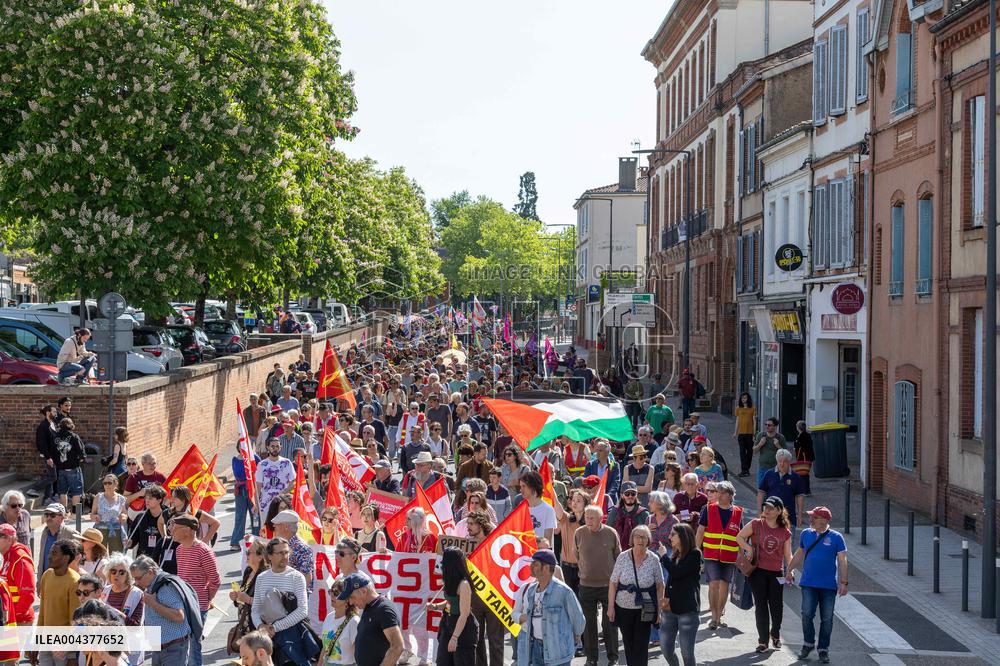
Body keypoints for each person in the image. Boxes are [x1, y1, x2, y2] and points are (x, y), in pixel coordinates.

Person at [790, 507, 848, 664]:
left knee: (827, 619)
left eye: (814, 517)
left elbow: (842, 560)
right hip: (808, 583)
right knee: (807, 614)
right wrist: (789, 569)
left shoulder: (836, 537)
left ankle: (823, 649)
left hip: (828, 585)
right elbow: (799, 553)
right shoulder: (806, 534)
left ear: (824, 520)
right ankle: (808, 644)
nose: (811, 519)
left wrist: (843, 582)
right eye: (812, 517)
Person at [736, 495, 793, 653]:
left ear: (779, 511)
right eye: (765, 507)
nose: (766, 510)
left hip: (776, 573)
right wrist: (748, 549)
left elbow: (788, 555)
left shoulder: (785, 532)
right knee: (760, 605)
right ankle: (763, 641)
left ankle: (775, 633)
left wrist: (791, 570)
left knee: (776, 607)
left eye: (770, 508)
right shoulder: (756, 524)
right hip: (757, 571)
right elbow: (739, 536)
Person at [515, 549, 585, 666]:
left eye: (535, 564)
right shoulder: (531, 590)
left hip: (558, 652)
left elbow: (579, 620)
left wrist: (572, 639)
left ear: (546, 568)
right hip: (535, 650)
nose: (530, 567)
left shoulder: (564, 591)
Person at [608, 525, 665, 666]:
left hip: (646, 608)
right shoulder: (623, 557)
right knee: (628, 644)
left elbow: (660, 585)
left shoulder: (653, 559)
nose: (640, 539)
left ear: (648, 540)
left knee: (641, 644)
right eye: (637, 536)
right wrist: (610, 607)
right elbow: (613, 583)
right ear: (632, 539)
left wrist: (660, 610)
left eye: (644, 537)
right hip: (624, 607)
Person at [250, 538, 311, 665]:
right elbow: (255, 609)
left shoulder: (297, 577)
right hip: (267, 638)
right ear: (270, 556)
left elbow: (303, 610)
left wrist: (274, 627)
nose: (285, 556)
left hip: (291, 639)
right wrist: (261, 627)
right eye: (280, 553)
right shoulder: (261, 578)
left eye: (286, 552)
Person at [170, 515, 220, 666]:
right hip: (181, 605)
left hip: (197, 607)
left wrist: (205, 599)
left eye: (175, 528)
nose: (171, 531)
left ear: (187, 530)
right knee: (182, 646)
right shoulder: (179, 550)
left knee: (193, 647)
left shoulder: (204, 551)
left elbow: (215, 580)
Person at [574, 505, 620, 666]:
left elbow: (618, 556)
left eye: (592, 518)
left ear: (601, 518)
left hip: (608, 585)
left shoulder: (610, 533)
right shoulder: (579, 533)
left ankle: (613, 657)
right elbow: (576, 555)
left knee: (610, 623)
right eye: (586, 517)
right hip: (586, 585)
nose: (588, 521)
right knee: (589, 624)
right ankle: (591, 658)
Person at [130, 556, 193, 666]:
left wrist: (153, 604)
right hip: (160, 646)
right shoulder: (152, 584)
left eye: (138, 578)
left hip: (173, 648)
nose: (136, 582)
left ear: (150, 572)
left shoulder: (165, 586)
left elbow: (179, 616)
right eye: (134, 579)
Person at [696, 480, 742, 630]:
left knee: (724, 586)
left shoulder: (737, 512)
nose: (719, 495)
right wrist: (697, 550)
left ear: (730, 495)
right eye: (718, 492)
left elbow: (741, 536)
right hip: (711, 554)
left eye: (722, 492)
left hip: (729, 556)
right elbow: (701, 531)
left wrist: (743, 554)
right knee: (713, 584)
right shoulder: (708, 509)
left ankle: (719, 615)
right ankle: (714, 616)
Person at [658, 523, 701, 666]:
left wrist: (664, 557)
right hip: (670, 608)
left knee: (687, 652)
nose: (669, 537)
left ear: (682, 536)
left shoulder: (695, 554)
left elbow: (677, 573)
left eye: (672, 534)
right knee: (665, 648)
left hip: (687, 610)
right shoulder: (675, 554)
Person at [33, 540, 81, 666]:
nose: (49, 556)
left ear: (65, 558)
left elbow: (75, 620)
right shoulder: (46, 575)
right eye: (50, 552)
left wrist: (71, 654)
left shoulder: (75, 582)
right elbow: (42, 613)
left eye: (54, 553)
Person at [340, 572, 404, 666]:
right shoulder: (369, 608)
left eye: (352, 597)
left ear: (364, 591)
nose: (350, 602)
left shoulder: (384, 609)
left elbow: (397, 647)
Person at [429, 549, 478, 666]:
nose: (441, 565)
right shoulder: (450, 580)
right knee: (442, 661)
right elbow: (450, 603)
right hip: (448, 625)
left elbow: (464, 614)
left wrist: (454, 637)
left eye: (444, 562)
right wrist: (435, 606)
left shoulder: (464, 584)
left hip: (463, 631)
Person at [757, 448, 806, 528]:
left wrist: (800, 516)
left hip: (789, 518)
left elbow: (800, 496)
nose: (782, 464)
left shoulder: (795, 477)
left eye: (785, 461)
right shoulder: (769, 474)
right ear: (776, 461)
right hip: (770, 518)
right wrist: (760, 512)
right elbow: (761, 492)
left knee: (788, 540)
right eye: (780, 461)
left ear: (789, 462)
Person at [319, 576, 360, 666]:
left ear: (348, 599)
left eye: (336, 592)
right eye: (331, 591)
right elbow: (324, 648)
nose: (332, 595)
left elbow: (361, 653)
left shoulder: (354, 622)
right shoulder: (329, 617)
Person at [0, 523, 35, 626]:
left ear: (10, 539)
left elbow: (28, 593)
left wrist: (16, 615)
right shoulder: (6, 556)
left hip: (19, 620)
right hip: (9, 618)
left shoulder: (20, 558)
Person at [255, 437, 295, 524]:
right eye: (272, 446)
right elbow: (258, 486)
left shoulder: (287, 463)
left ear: (280, 447)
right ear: (267, 447)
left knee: (283, 529)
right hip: (265, 505)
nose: (275, 448)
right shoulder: (261, 465)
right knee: (266, 530)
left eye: (277, 446)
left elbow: (293, 482)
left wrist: (284, 492)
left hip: (283, 504)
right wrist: (256, 504)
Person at [50, 418, 87, 509]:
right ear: (71, 425)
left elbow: (52, 452)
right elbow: (82, 454)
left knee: (62, 492)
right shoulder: (74, 437)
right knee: (76, 492)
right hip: (73, 468)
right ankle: (75, 513)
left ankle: (63, 512)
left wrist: (57, 463)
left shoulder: (55, 437)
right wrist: (80, 460)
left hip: (61, 469)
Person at [231, 441, 262, 550]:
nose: (242, 447)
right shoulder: (235, 459)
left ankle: (257, 540)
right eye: (240, 445)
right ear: (238, 447)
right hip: (240, 491)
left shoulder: (255, 458)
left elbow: (260, 471)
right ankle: (236, 541)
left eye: (244, 445)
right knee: (240, 516)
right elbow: (236, 474)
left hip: (252, 490)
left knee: (255, 515)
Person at [271, 510, 314, 585]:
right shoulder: (279, 544)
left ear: (285, 527)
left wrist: (291, 595)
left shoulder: (302, 549)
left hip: (293, 594)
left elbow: (307, 578)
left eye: (277, 524)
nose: (274, 527)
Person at [123, 454, 167, 523]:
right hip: (137, 517)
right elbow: (124, 500)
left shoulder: (161, 477)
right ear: (143, 464)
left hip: (156, 517)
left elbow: (167, 497)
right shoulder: (133, 477)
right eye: (149, 463)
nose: (152, 466)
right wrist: (139, 493)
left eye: (154, 463)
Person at [91, 474, 127, 554]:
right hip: (100, 530)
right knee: (99, 555)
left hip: (115, 530)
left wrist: (123, 517)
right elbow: (92, 515)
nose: (107, 485)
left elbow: (124, 513)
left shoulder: (121, 499)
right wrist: (95, 517)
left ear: (116, 483)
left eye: (109, 483)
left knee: (116, 556)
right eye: (105, 483)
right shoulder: (98, 497)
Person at [608, 481, 649, 550]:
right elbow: (608, 531)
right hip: (616, 549)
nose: (630, 496)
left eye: (633, 494)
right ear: (621, 495)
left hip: (637, 549)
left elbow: (648, 536)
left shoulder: (643, 513)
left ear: (636, 495)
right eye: (627, 494)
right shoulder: (615, 511)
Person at [518, 471, 556, 542]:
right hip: (526, 552)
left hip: (541, 552)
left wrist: (532, 540)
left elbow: (548, 541)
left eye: (524, 486)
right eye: (520, 486)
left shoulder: (548, 510)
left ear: (533, 487)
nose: (521, 490)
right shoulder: (521, 508)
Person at [753, 417, 788, 487]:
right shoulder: (761, 435)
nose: (767, 426)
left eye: (769, 425)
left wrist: (778, 446)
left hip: (776, 469)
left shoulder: (780, 437)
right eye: (766, 424)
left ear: (775, 426)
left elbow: (786, 455)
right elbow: (754, 451)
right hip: (763, 468)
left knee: (774, 490)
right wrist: (760, 444)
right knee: (761, 489)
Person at [583, 439, 621, 504]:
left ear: (607, 452)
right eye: (597, 450)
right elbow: (586, 483)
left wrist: (606, 496)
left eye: (600, 451)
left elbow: (615, 483)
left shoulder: (615, 465)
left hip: (610, 500)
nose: (597, 452)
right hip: (593, 500)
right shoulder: (590, 465)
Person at [733, 392, 757, 477]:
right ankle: (744, 470)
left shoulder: (752, 408)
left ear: (748, 399)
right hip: (741, 434)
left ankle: (747, 469)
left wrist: (754, 434)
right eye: (742, 398)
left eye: (745, 398)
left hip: (750, 434)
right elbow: (737, 421)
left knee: (750, 452)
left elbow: (754, 422)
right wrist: (735, 432)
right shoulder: (738, 408)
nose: (744, 400)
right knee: (742, 452)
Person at [794, 420, 815, 495]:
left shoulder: (801, 436)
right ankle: (806, 490)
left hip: (803, 458)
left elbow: (800, 447)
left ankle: (805, 490)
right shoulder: (807, 435)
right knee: (804, 474)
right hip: (807, 457)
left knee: (803, 474)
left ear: (798, 428)